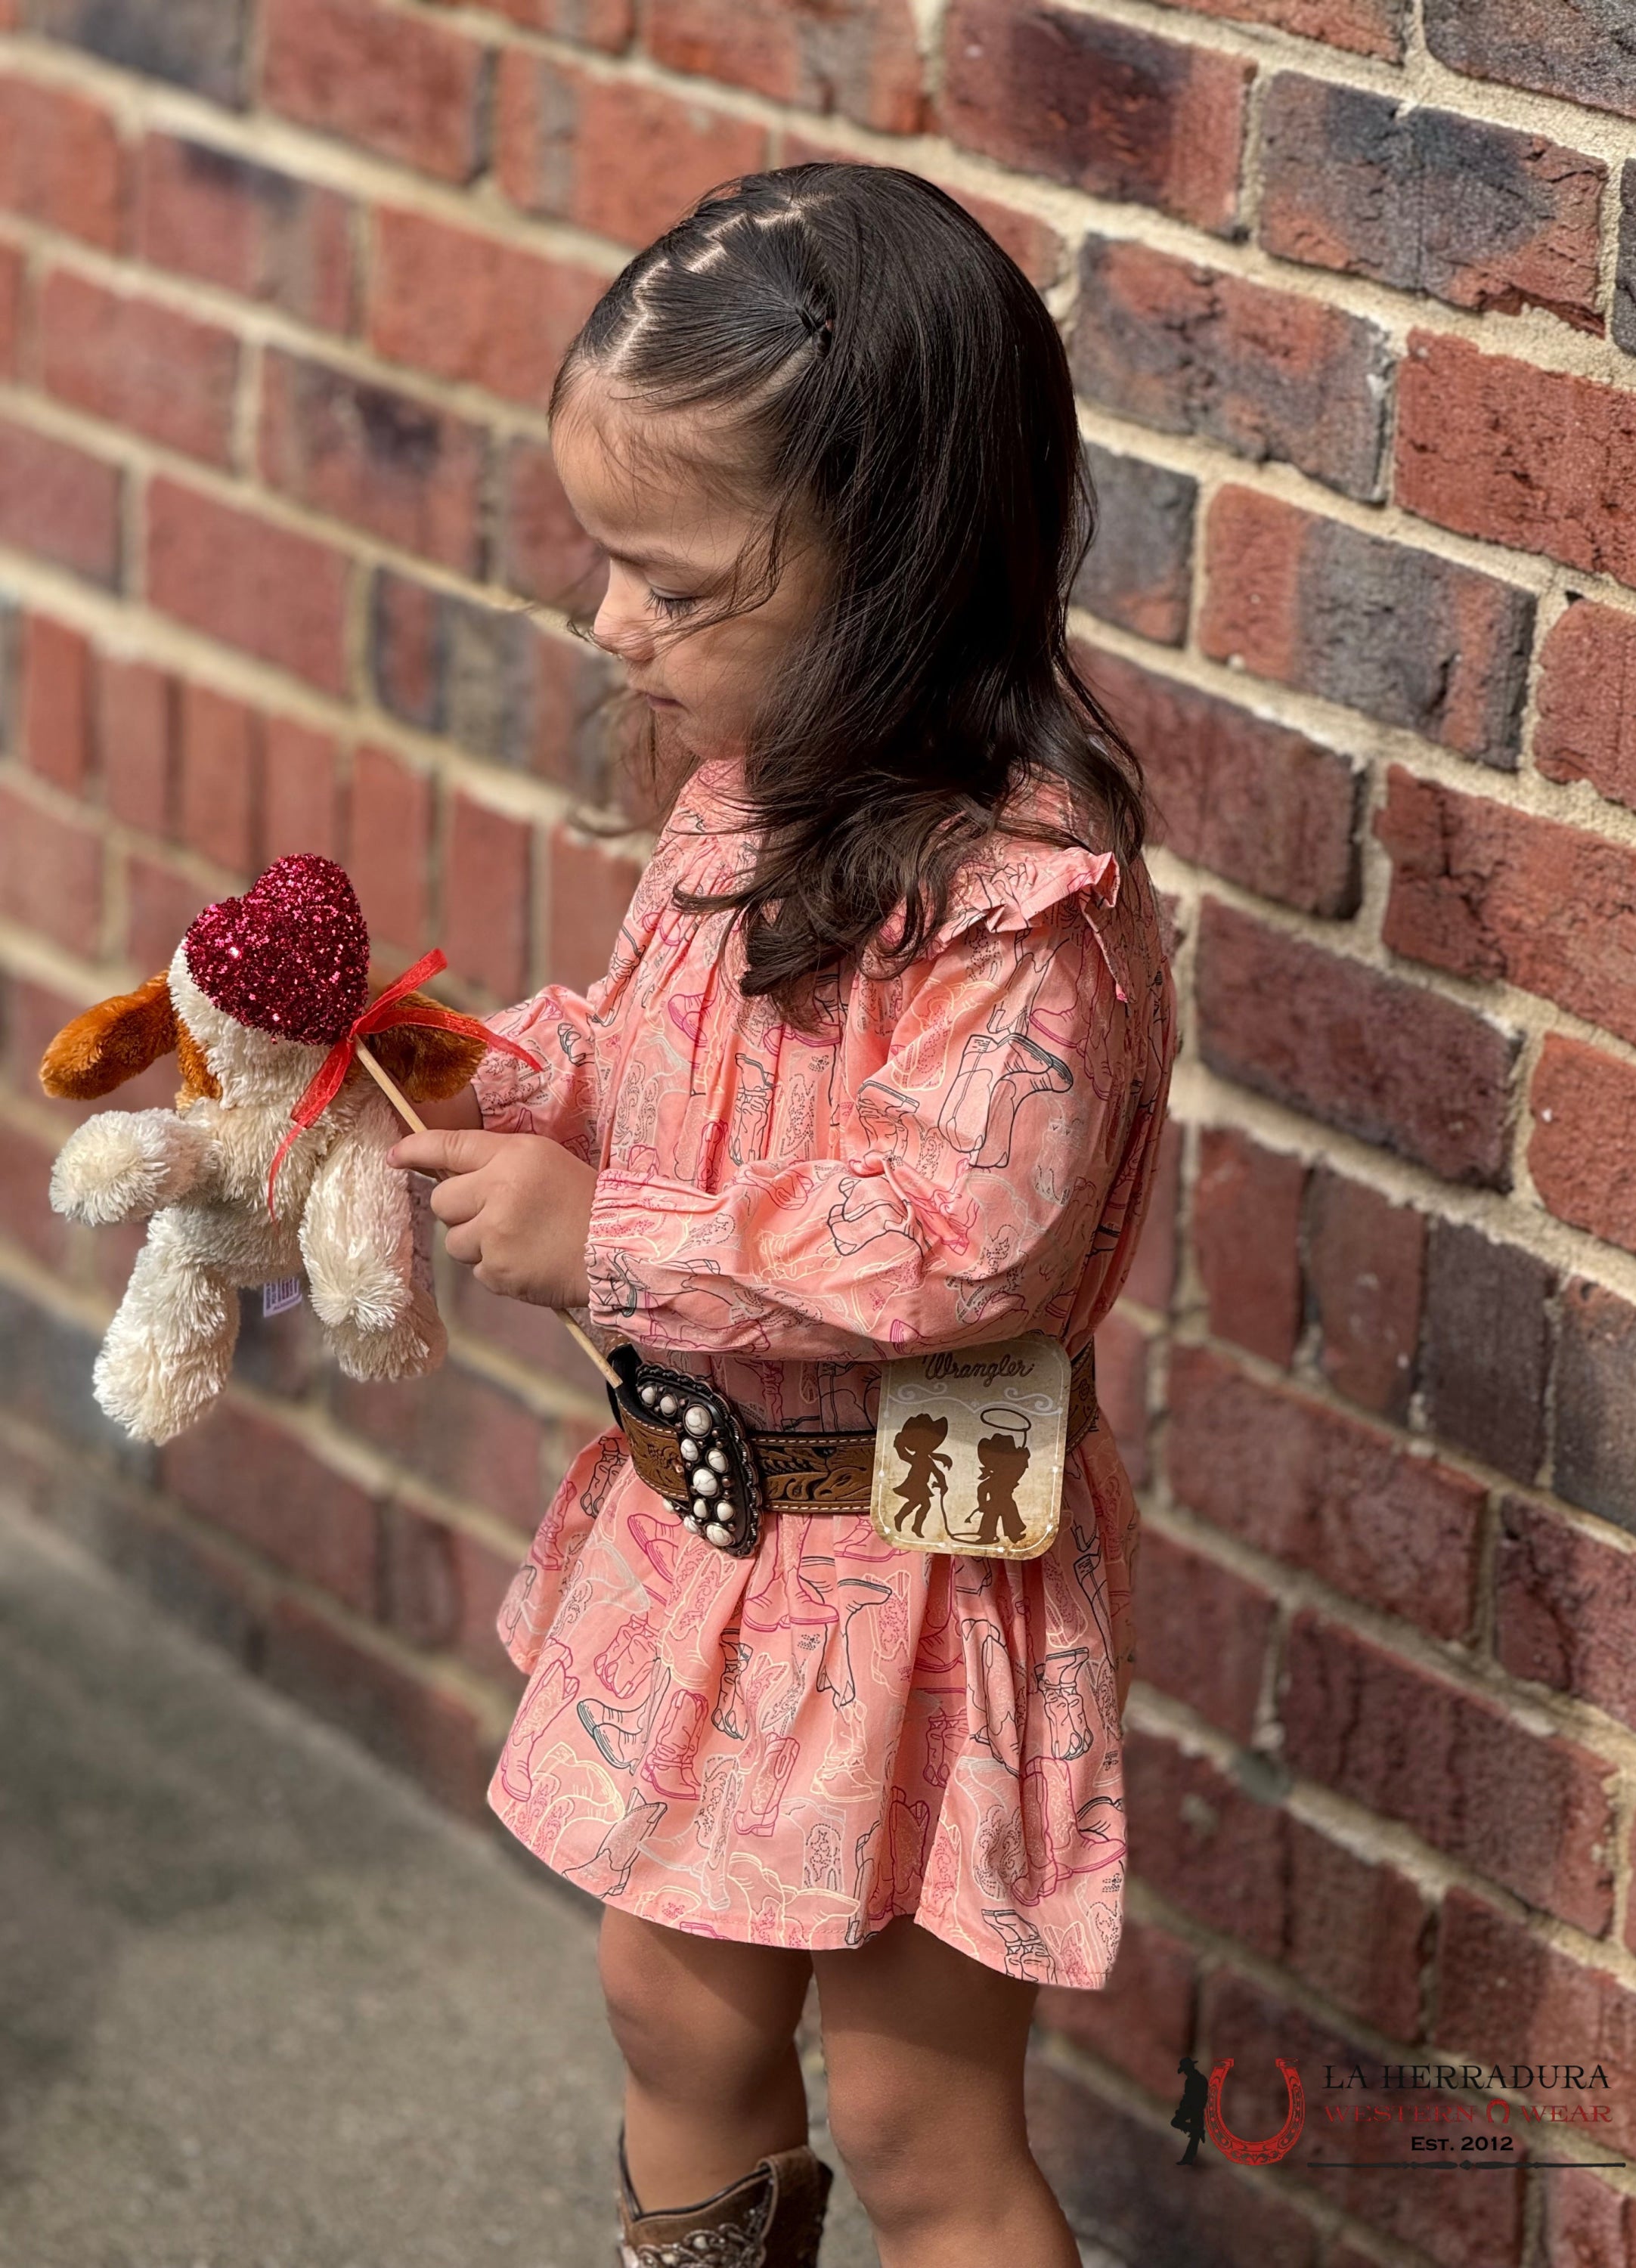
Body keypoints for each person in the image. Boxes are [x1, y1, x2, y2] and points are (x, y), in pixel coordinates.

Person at [389, 162, 1176, 2268]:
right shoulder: (748, 791)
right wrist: (480, 1072)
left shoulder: (1026, 909)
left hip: (911, 1564)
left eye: (670, 578)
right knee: (666, 1992)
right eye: (603, 566)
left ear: (896, 561)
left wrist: (609, 1239)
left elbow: (957, 1233)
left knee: (921, 2125)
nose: (606, 626)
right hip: (721, 1540)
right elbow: (659, 1047)